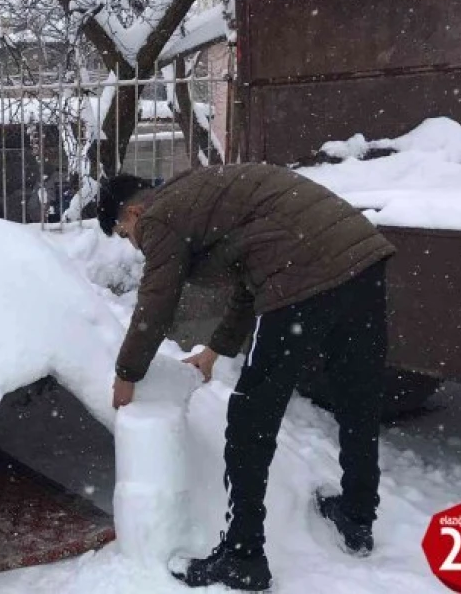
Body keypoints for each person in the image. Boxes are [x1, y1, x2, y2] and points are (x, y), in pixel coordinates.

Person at [98, 164, 395, 591]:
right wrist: (216, 349)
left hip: (304, 277)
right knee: (357, 396)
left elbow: (157, 302)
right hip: (361, 260)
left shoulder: (160, 215)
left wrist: (127, 373)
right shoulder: (202, 195)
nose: (134, 243)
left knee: (249, 419)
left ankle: (243, 556)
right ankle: (357, 515)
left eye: (125, 235)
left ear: (131, 215)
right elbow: (249, 279)